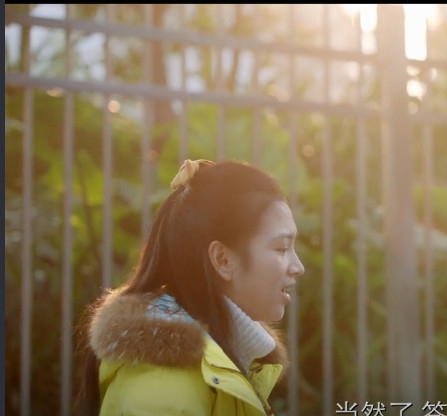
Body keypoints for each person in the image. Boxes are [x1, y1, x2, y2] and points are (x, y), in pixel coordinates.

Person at [74, 159, 305, 416]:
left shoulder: (228, 359)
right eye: (281, 248)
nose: (298, 267)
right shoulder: (162, 390)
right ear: (223, 260)